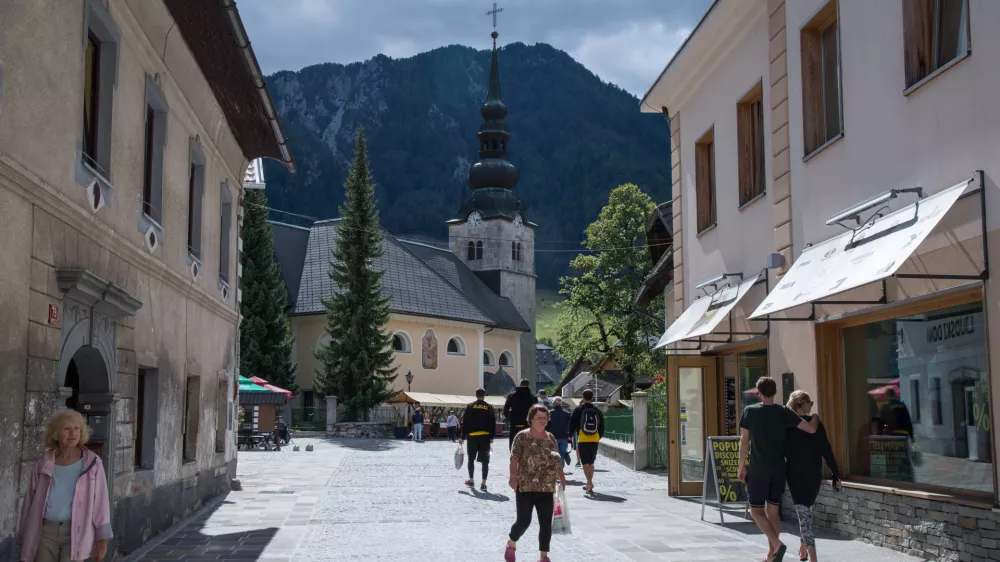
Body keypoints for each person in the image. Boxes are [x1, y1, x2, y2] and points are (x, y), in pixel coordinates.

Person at [738, 377, 819, 562]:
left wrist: (741, 466)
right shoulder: (784, 412)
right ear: (775, 393)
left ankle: (777, 544)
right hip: (778, 469)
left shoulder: (750, 411)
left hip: (758, 469)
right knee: (772, 511)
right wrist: (815, 416)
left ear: (758, 393)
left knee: (756, 511)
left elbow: (744, 442)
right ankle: (771, 554)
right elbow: (810, 429)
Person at [20, 409, 112, 562]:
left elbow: (101, 502)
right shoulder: (43, 464)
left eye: (76, 428)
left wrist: (101, 538)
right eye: (67, 429)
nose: (73, 433)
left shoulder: (92, 463)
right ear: (56, 433)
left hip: (76, 531)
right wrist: (25, 534)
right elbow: (29, 501)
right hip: (45, 532)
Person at [506, 404, 567, 562]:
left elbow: (556, 459)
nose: (542, 421)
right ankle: (512, 542)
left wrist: (562, 476)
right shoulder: (522, 436)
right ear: (531, 419)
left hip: (547, 487)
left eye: (544, 418)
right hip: (525, 486)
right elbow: (514, 458)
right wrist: (513, 477)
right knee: (523, 521)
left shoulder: (551, 437)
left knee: (546, 524)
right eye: (539, 418)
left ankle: (543, 557)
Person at [786, 390, 840, 562]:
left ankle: (810, 556)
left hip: (794, 474)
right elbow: (826, 448)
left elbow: (780, 449)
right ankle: (807, 553)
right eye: (810, 402)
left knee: (805, 514)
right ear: (803, 403)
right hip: (812, 474)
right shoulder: (814, 423)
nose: (812, 406)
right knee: (805, 513)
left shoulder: (788, 424)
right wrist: (835, 471)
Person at [460, 388, 496, 492]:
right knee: (485, 461)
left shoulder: (470, 406)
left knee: (471, 459)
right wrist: (492, 436)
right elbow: (492, 422)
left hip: (472, 436)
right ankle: (484, 483)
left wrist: (462, 437)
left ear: (476, 395)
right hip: (485, 437)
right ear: (484, 396)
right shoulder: (489, 407)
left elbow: (465, 422)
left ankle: (471, 480)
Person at [569, 388, 604, 494]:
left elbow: (573, 423)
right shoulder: (597, 410)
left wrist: (570, 435)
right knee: (591, 461)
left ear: (582, 397)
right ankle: (590, 481)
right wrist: (598, 437)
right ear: (592, 397)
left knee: (585, 462)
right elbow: (602, 425)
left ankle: (588, 483)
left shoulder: (578, 409)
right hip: (595, 438)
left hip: (583, 439)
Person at [504, 379, 538, 451]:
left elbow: (505, 410)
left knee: (514, 446)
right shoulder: (533, 398)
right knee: (528, 447)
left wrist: (510, 419)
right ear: (528, 385)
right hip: (528, 425)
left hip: (515, 425)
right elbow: (536, 411)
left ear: (519, 384)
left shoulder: (511, 396)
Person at [546, 397, 572, 467]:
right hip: (564, 437)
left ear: (554, 403)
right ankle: (560, 472)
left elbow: (546, 426)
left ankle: (555, 471)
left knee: (553, 454)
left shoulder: (550, 413)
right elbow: (570, 426)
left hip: (552, 437)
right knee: (562, 455)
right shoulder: (567, 413)